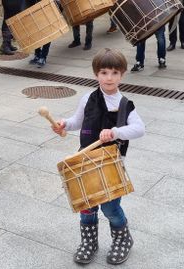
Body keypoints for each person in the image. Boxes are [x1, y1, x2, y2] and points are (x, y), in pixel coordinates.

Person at [52, 48, 145, 265]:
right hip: (85, 160)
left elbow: (140, 129)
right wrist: (64, 124)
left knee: (110, 208)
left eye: (114, 72)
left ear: (122, 74)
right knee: (87, 205)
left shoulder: (124, 105)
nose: (109, 78)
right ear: (96, 74)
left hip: (110, 165)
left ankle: (123, 239)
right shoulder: (88, 99)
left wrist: (115, 132)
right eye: (104, 72)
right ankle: (89, 243)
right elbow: (78, 122)